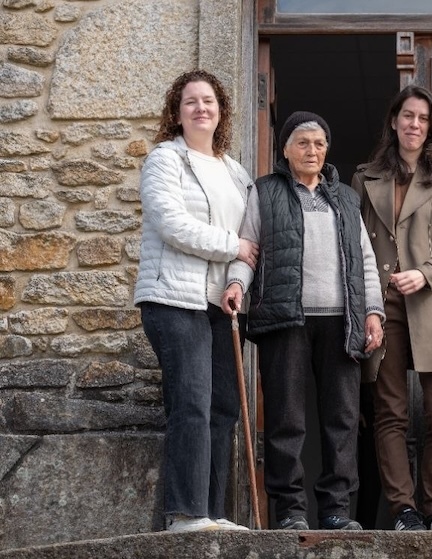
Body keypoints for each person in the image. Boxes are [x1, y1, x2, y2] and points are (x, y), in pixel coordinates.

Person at [221, 111, 384, 531]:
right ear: (286, 149)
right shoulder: (265, 191)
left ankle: (336, 510)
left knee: (342, 420)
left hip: (341, 321)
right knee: (286, 418)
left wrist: (372, 312)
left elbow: (365, 260)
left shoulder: (345, 197)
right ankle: (290, 511)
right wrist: (237, 284)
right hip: (285, 319)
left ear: (327, 150)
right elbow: (249, 248)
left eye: (319, 144)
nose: (312, 151)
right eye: (303, 143)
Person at [134, 69, 257, 533]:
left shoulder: (235, 172)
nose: (200, 108)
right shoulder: (165, 159)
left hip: (220, 306)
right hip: (174, 299)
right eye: (191, 101)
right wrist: (232, 247)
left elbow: (251, 242)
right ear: (177, 112)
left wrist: (238, 282)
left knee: (223, 407)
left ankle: (213, 514)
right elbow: (171, 223)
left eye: (208, 101)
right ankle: (184, 514)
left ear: (221, 111)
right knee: (191, 402)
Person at [351, 85, 432, 531]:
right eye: (407, 116)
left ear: (431, 126)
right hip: (383, 308)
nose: (414, 124)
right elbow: (355, 246)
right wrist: (366, 303)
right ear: (394, 120)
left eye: (422, 118)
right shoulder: (365, 178)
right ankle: (403, 509)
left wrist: (425, 273)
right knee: (390, 413)